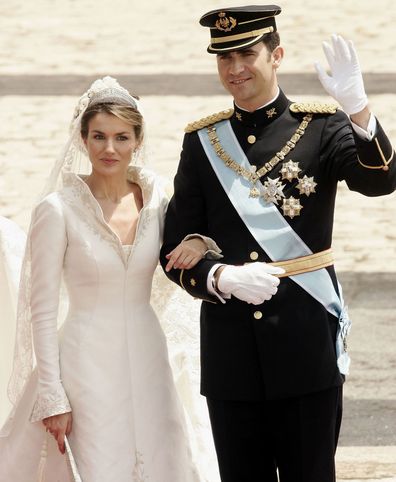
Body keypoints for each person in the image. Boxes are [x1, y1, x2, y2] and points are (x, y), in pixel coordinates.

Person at [160, 5, 396, 482]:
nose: (235, 68)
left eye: (247, 53)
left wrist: (358, 109)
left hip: (304, 340)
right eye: (224, 58)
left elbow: (381, 181)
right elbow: (175, 248)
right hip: (231, 347)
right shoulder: (202, 141)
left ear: (277, 54)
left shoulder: (322, 126)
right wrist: (218, 275)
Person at [0, 76, 219, 481]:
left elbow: (195, 238)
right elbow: (42, 312)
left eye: (121, 137)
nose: (109, 148)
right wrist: (52, 394)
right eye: (98, 136)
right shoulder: (57, 209)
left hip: (148, 353)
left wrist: (198, 242)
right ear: (82, 139)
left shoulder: (156, 202)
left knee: (161, 456)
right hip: (84, 363)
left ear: (137, 140)